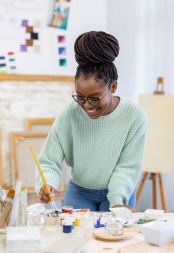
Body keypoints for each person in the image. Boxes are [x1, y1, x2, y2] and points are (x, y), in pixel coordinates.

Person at [35, 31, 147, 211]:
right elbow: (49, 160)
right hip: (79, 191)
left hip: (119, 190)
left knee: (114, 235)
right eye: (80, 97)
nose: (86, 105)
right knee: (74, 236)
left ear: (113, 86)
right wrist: (47, 183)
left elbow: (127, 166)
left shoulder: (134, 116)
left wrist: (118, 202)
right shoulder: (70, 114)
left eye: (94, 98)